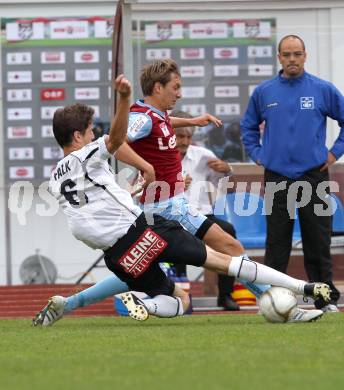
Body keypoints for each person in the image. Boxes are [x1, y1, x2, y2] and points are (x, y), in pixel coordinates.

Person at [33, 74, 330, 326]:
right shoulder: (139, 120)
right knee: (229, 251)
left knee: (155, 282)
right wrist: (145, 165)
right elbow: (120, 138)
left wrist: (190, 122)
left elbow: (98, 196)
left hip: (120, 242)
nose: (179, 92)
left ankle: (72, 303)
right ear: (157, 88)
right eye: (175, 85)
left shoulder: (58, 176)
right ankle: (291, 301)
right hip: (163, 210)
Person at [241, 35, 344, 312]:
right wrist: (259, 155)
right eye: (286, 54)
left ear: (305, 56)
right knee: (277, 241)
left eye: (297, 54)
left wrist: (335, 153)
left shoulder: (322, 89)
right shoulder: (264, 92)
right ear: (279, 57)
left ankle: (324, 299)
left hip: (314, 175)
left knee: (317, 240)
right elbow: (248, 129)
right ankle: (275, 300)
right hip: (277, 177)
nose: (292, 59)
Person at [171, 109, 239, 311]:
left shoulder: (204, 156)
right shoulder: (156, 158)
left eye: (188, 137)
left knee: (228, 232)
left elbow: (229, 188)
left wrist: (227, 170)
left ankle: (226, 295)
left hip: (201, 216)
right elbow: (141, 194)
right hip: (172, 218)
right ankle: (179, 300)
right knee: (172, 239)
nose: (184, 141)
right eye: (180, 136)